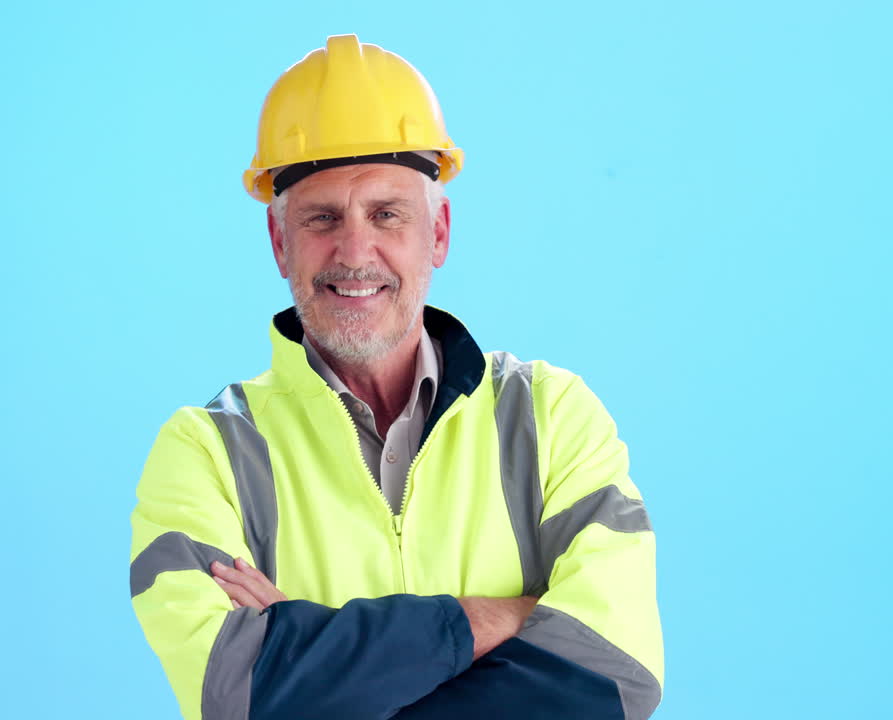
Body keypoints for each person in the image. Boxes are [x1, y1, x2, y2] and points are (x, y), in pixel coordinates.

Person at [129, 34, 663, 720]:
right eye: (322, 218)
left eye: (387, 214)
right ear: (278, 242)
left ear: (437, 232)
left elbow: (618, 676)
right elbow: (236, 691)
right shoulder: (207, 455)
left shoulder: (551, 418)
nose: (355, 252)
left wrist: (322, 660)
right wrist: (484, 621)